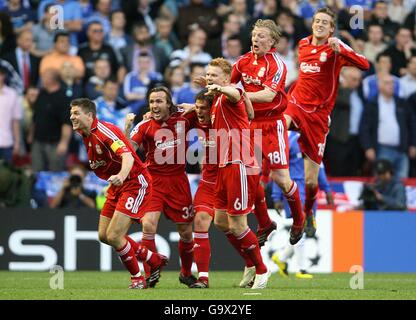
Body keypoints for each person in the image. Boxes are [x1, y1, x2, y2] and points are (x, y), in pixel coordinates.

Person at [284, 7, 370, 236]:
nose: (320, 24)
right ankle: (268, 176)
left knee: (311, 181)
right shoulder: (302, 44)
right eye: (317, 21)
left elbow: (364, 65)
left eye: (325, 22)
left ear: (331, 28)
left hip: (318, 117)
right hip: (296, 105)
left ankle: (308, 213)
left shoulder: (336, 48)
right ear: (312, 24)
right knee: (277, 126)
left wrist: (342, 48)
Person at [69, 98, 167, 289]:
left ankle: (138, 279)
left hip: (134, 182)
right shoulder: (86, 134)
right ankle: (153, 259)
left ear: (89, 116)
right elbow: (119, 146)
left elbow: (127, 155)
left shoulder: (102, 132)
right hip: (118, 185)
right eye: (71, 113)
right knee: (104, 235)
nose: (72, 117)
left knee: (115, 236)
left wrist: (121, 176)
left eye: (76, 113)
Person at [231, 19, 304, 247]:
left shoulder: (277, 64)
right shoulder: (242, 62)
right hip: (249, 125)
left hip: (273, 125)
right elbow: (228, 83)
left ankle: (299, 220)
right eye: (254, 35)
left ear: (272, 41)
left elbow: (268, 95)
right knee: (251, 179)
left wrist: (237, 94)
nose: (256, 39)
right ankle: (265, 222)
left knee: (281, 180)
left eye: (261, 36)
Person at [205, 58, 271, 290]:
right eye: (208, 75)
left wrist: (223, 88)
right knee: (221, 221)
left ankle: (262, 271)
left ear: (225, 78)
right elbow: (249, 115)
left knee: (238, 224)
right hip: (224, 165)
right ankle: (250, 262)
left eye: (214, 76)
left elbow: (235, 93)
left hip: (239, 163)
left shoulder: (230, 93)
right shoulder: (217, 101)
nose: (209, 79)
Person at [125, 87, 197, 288]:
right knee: (148, 225)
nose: (154, 106)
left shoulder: (184, 118)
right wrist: (126, 128)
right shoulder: (144, 125)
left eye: (159, 101)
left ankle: (185, 273)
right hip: (153, 181)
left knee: (185, 232)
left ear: (168, 103)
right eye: (152, 102)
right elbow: (129, 149)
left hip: (178, 182)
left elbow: (206, 113)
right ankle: (150, 275)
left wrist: (194, 106)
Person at [269, 131, 333, 279]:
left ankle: (282, 258)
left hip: (311, 191)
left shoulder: (314, 138)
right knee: (301, 226)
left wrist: (327, 189)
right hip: (294, 189)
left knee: (305, 229)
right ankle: (302, 269)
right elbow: (278, 168)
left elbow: (319, 167)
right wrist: (276, 196)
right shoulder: (286, 138)